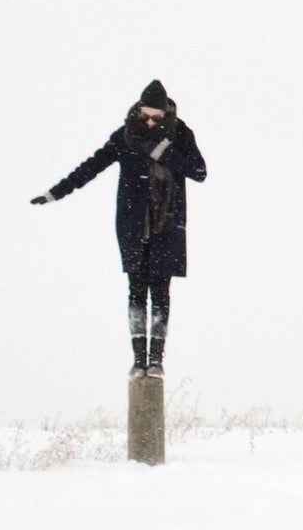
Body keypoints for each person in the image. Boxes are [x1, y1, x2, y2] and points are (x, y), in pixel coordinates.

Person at [34, 81, 209, 378]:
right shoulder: (126, 137)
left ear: (166, 114)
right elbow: (90, 167)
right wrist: (55, 193)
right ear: (138, 111)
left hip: (166, 225)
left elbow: (200, 172)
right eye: (146, 116)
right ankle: (138, 360)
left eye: (157, 117)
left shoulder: (180, 134)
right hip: (132, 225)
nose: (151, 122)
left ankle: (157, 360)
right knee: (136, 291)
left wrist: (163, 152)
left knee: (161, 292)